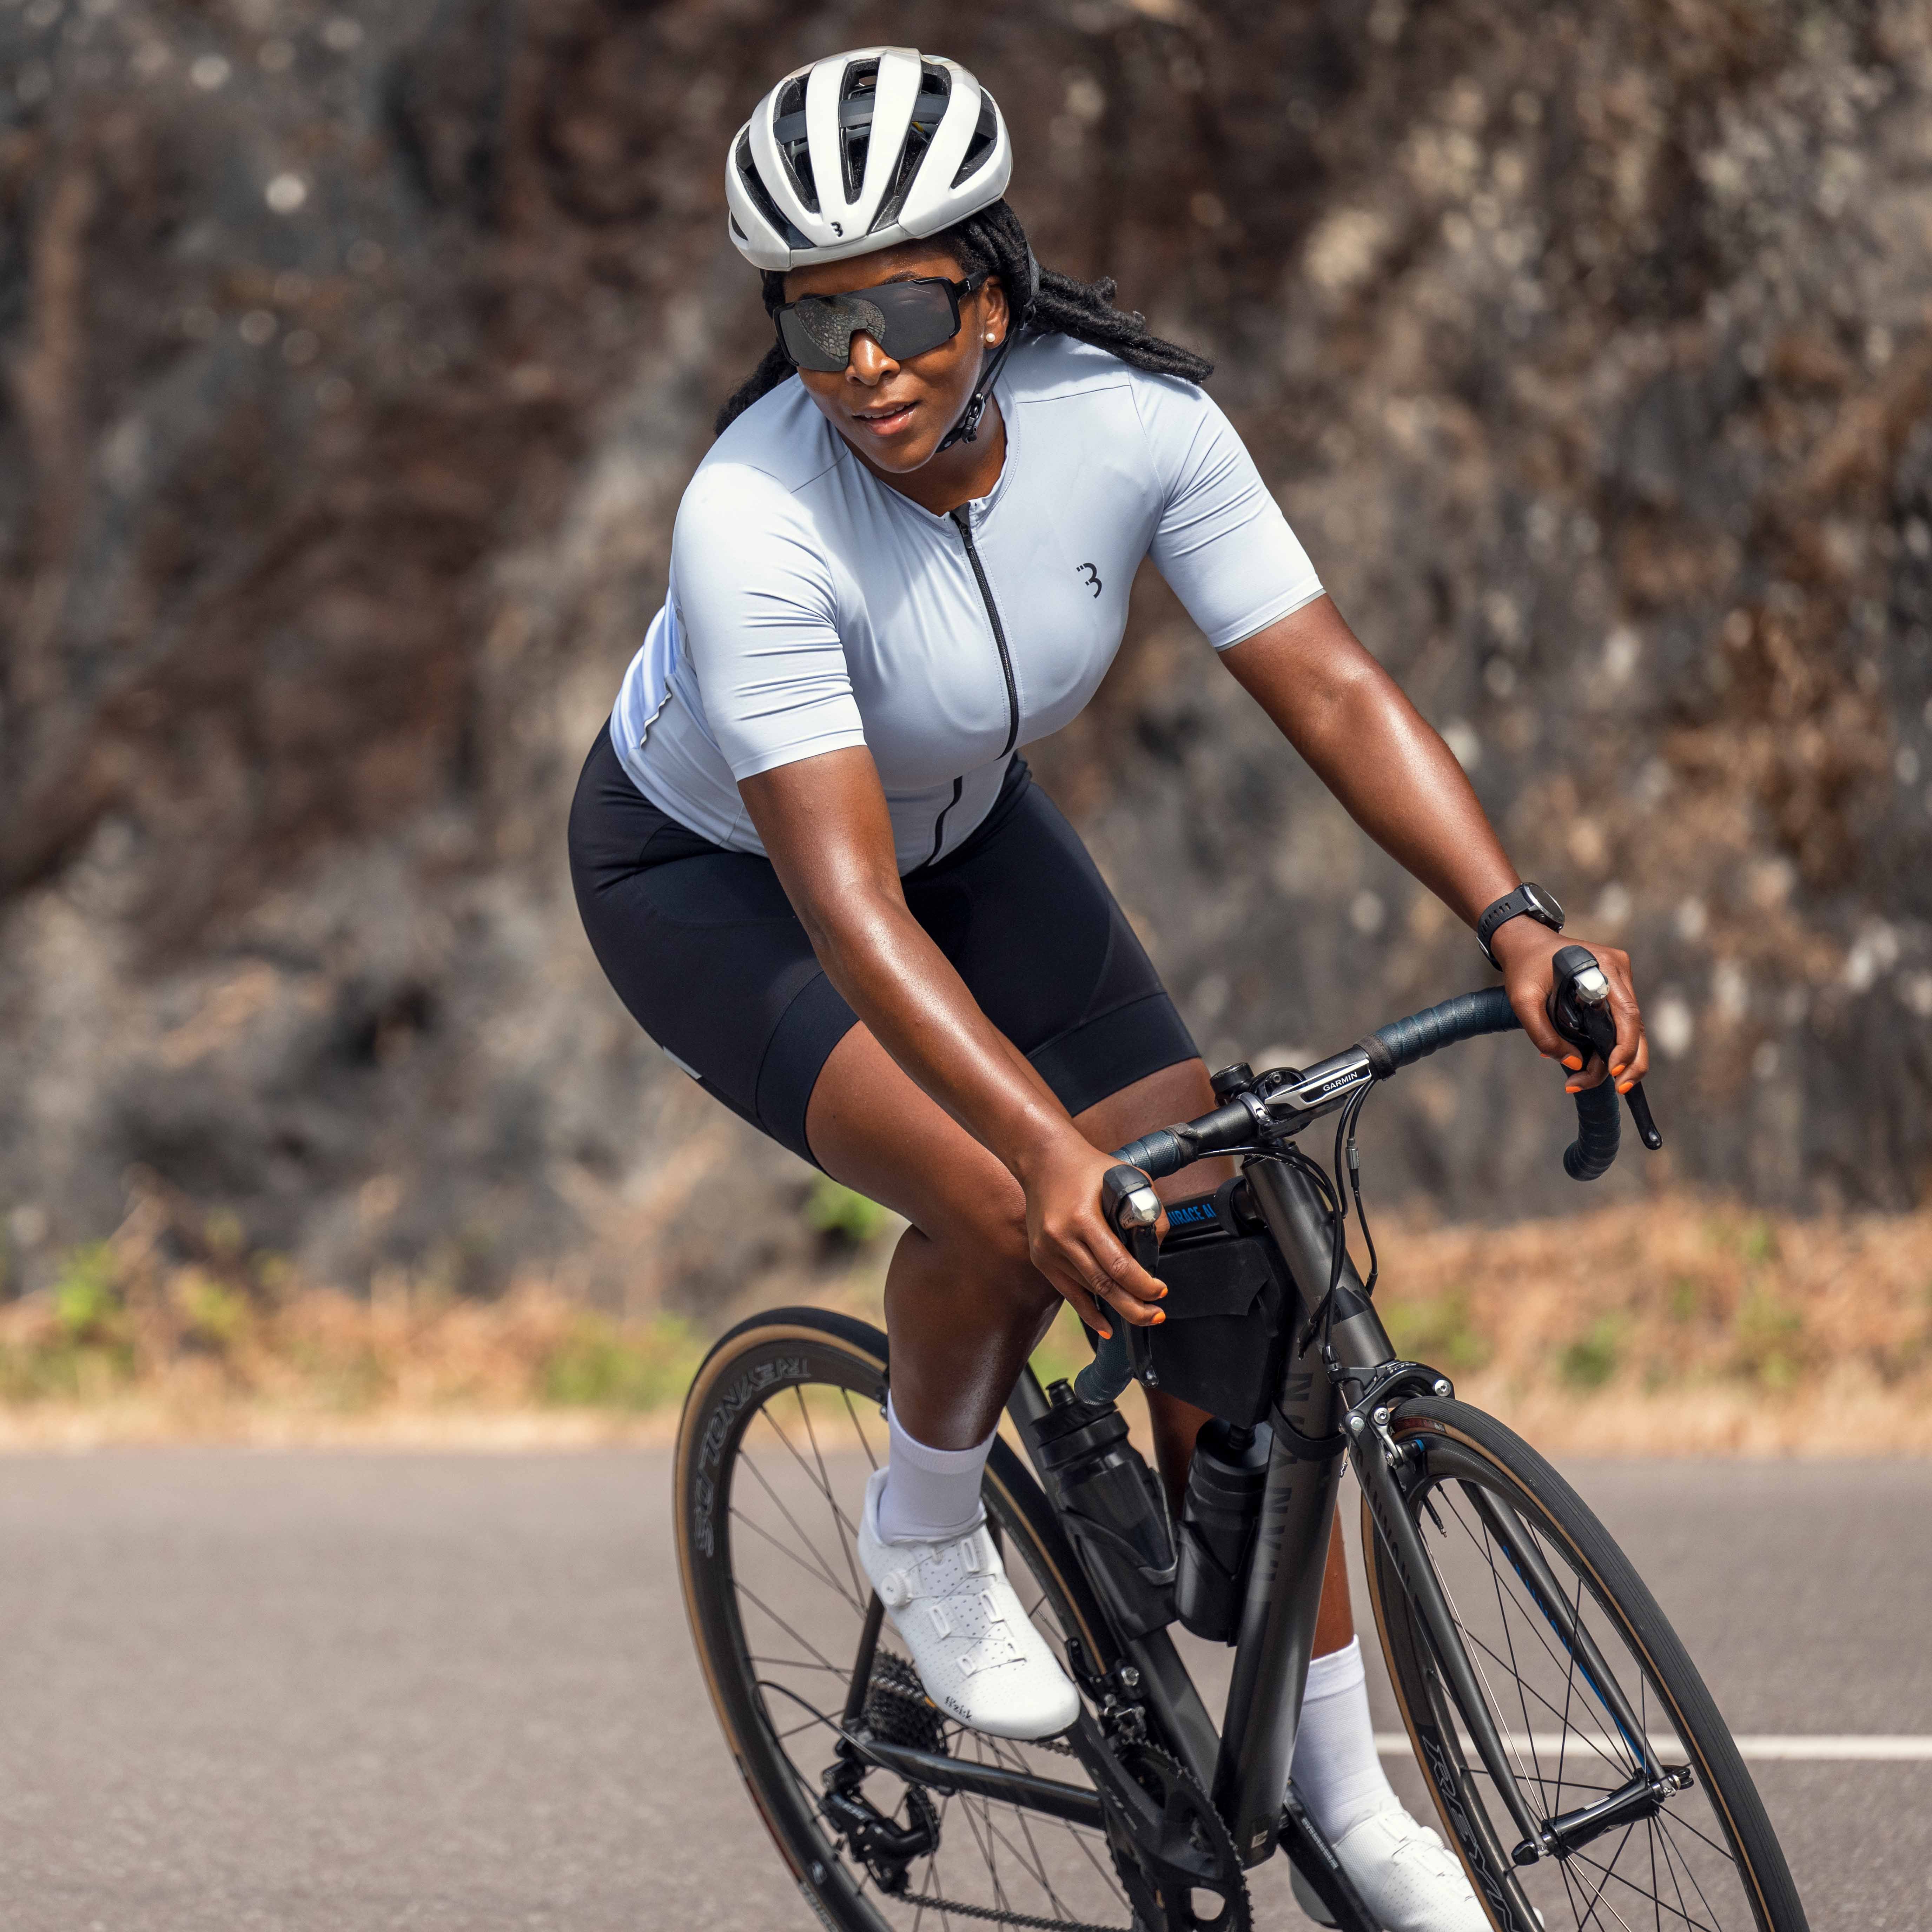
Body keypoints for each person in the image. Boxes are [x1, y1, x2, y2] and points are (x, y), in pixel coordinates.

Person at [569, 46, 1649, 1932]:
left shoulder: (1133, 418)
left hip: (968, 831)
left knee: (1216, 1240)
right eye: (814, 326)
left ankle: (1348, 1802)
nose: (865, 364)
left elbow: (1329, 683)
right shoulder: (753, 519)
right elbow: (850, 907)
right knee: (1012, 1203)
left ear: (990, 293)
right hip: (725, 885)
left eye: (907, 311)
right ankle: (925, 1523)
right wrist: (1042, 1151)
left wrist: (1514, 918)